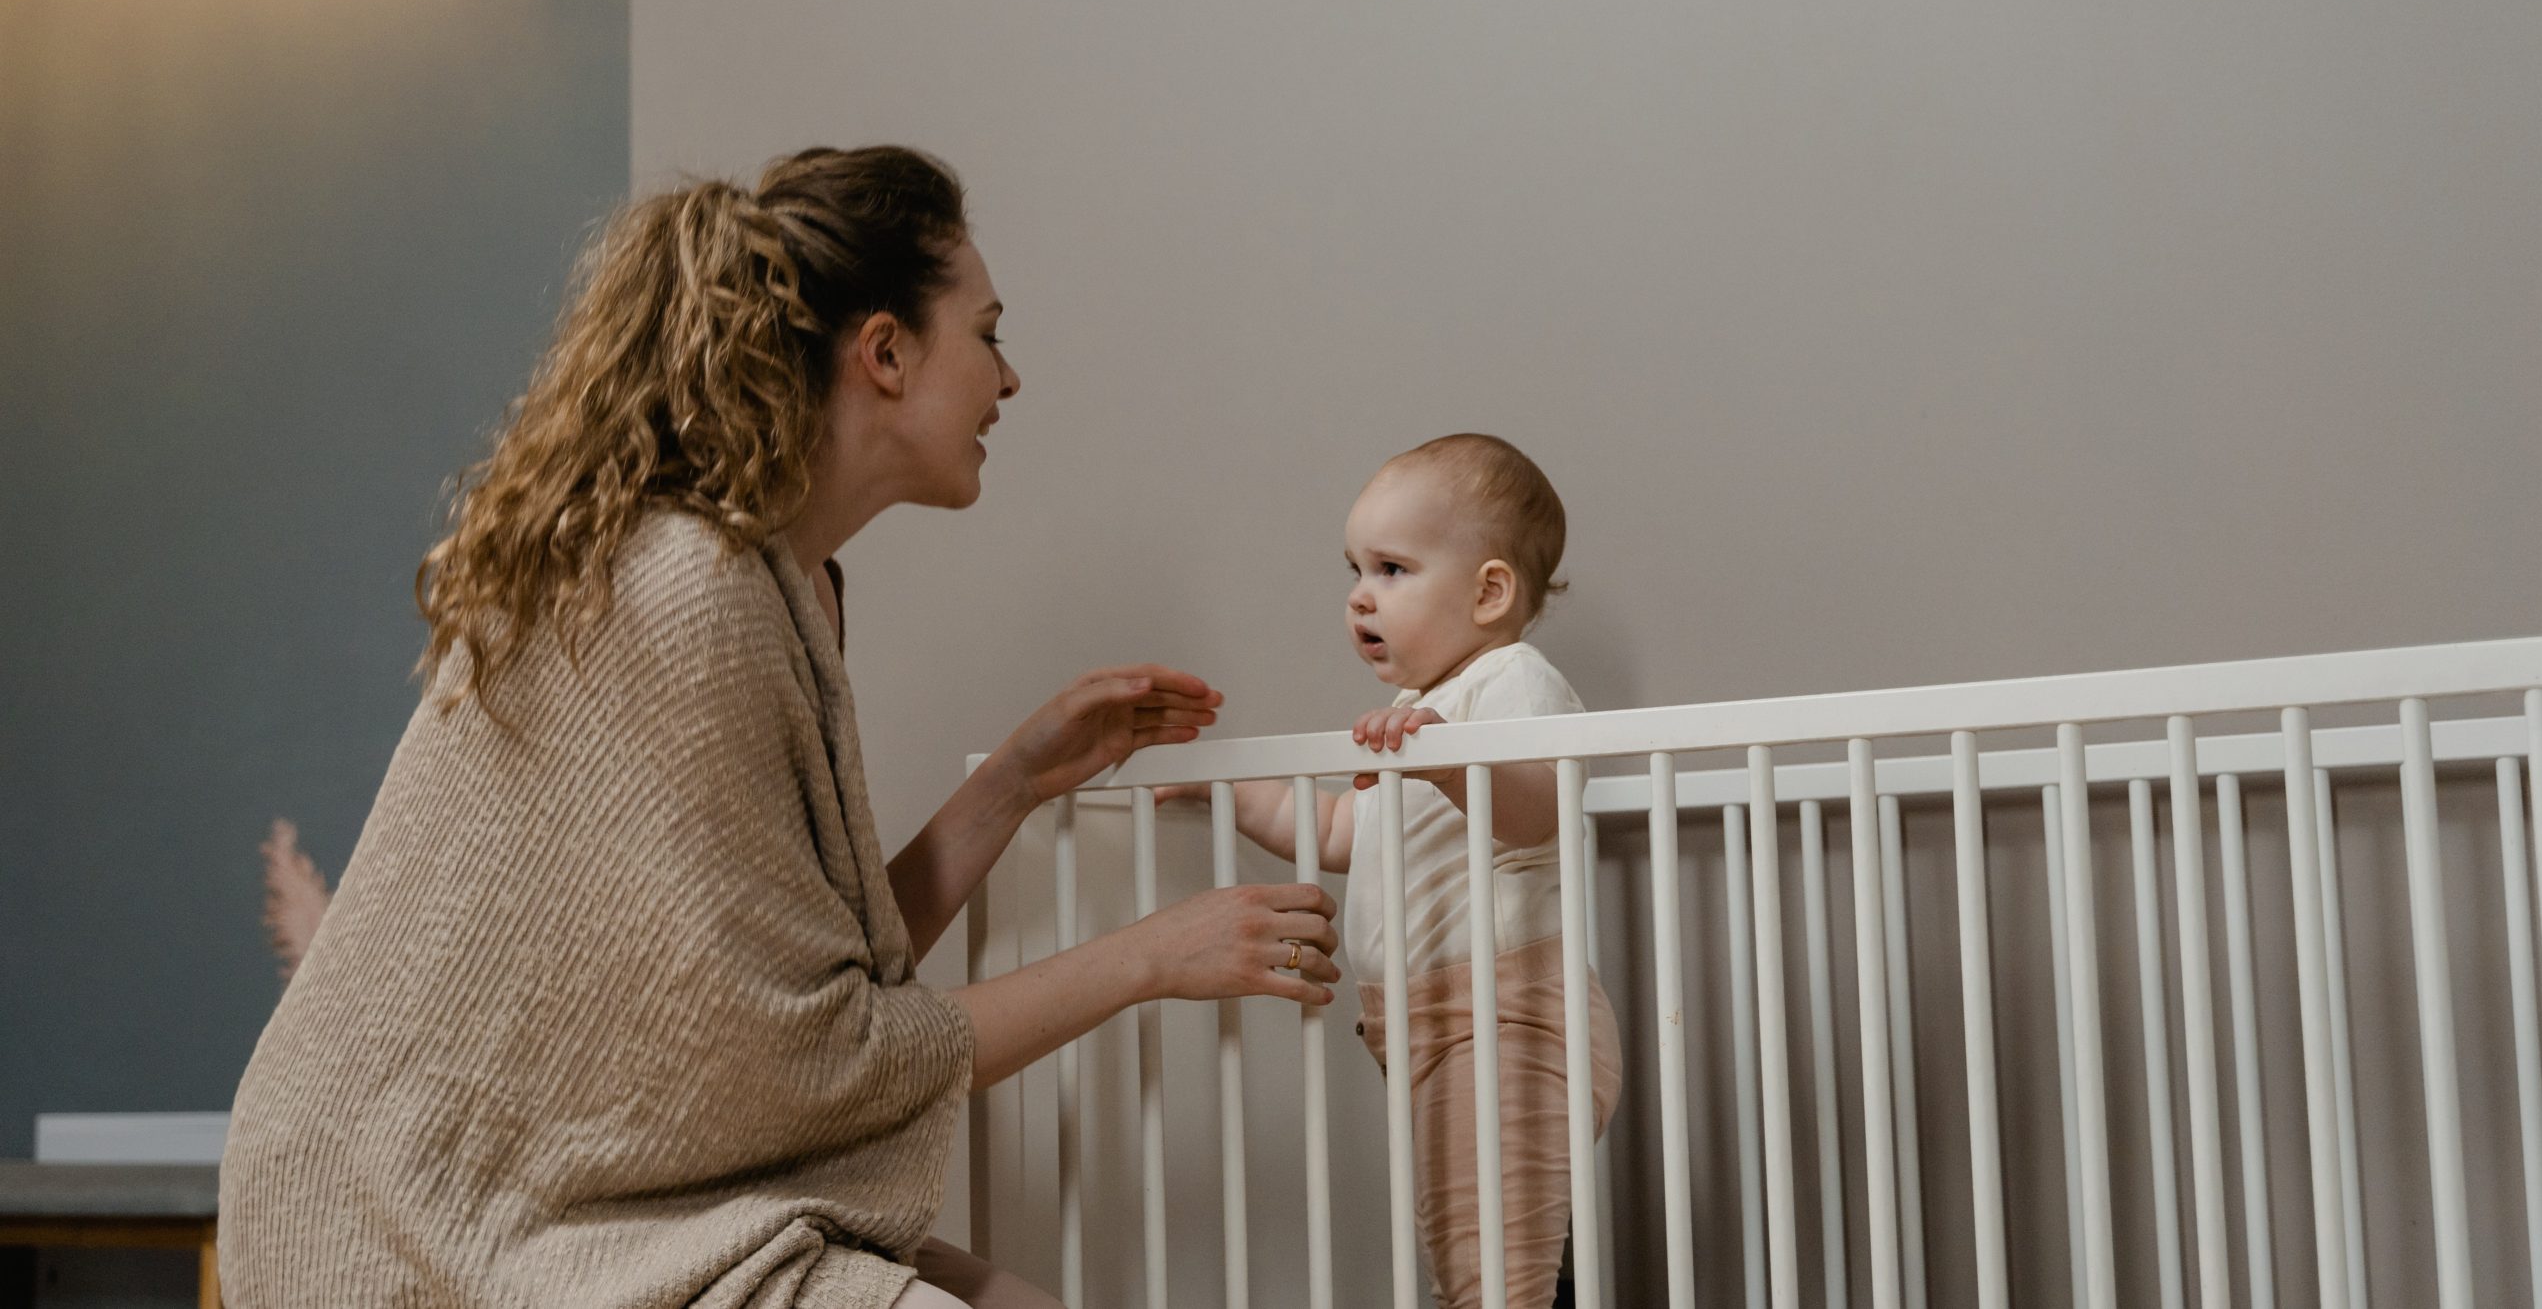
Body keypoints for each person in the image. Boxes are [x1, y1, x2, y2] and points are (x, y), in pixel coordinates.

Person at [219, 147, 1341, 1309]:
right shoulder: (687, 593)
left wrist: (1012, 783)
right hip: (409, 1226)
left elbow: (773, 990)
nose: (1010, 382)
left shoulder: (777, 586)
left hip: (559, 1201)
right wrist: (1150, 955)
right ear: (888, 352)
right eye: (990, 333)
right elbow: (814, 1057)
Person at [1163, 434, 1623, 1309]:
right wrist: (1231, 788)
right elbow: (1341, 828)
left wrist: (1446, 759)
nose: (1359, 596)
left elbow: (1536, 807)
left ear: (1490, 591)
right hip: (1430, 1031)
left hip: (1511, 1020)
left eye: (1393, 568)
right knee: (1483, 1254)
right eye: (1354, 569)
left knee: (1492, 1277)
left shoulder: (1508, 681)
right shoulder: (1415, 715)